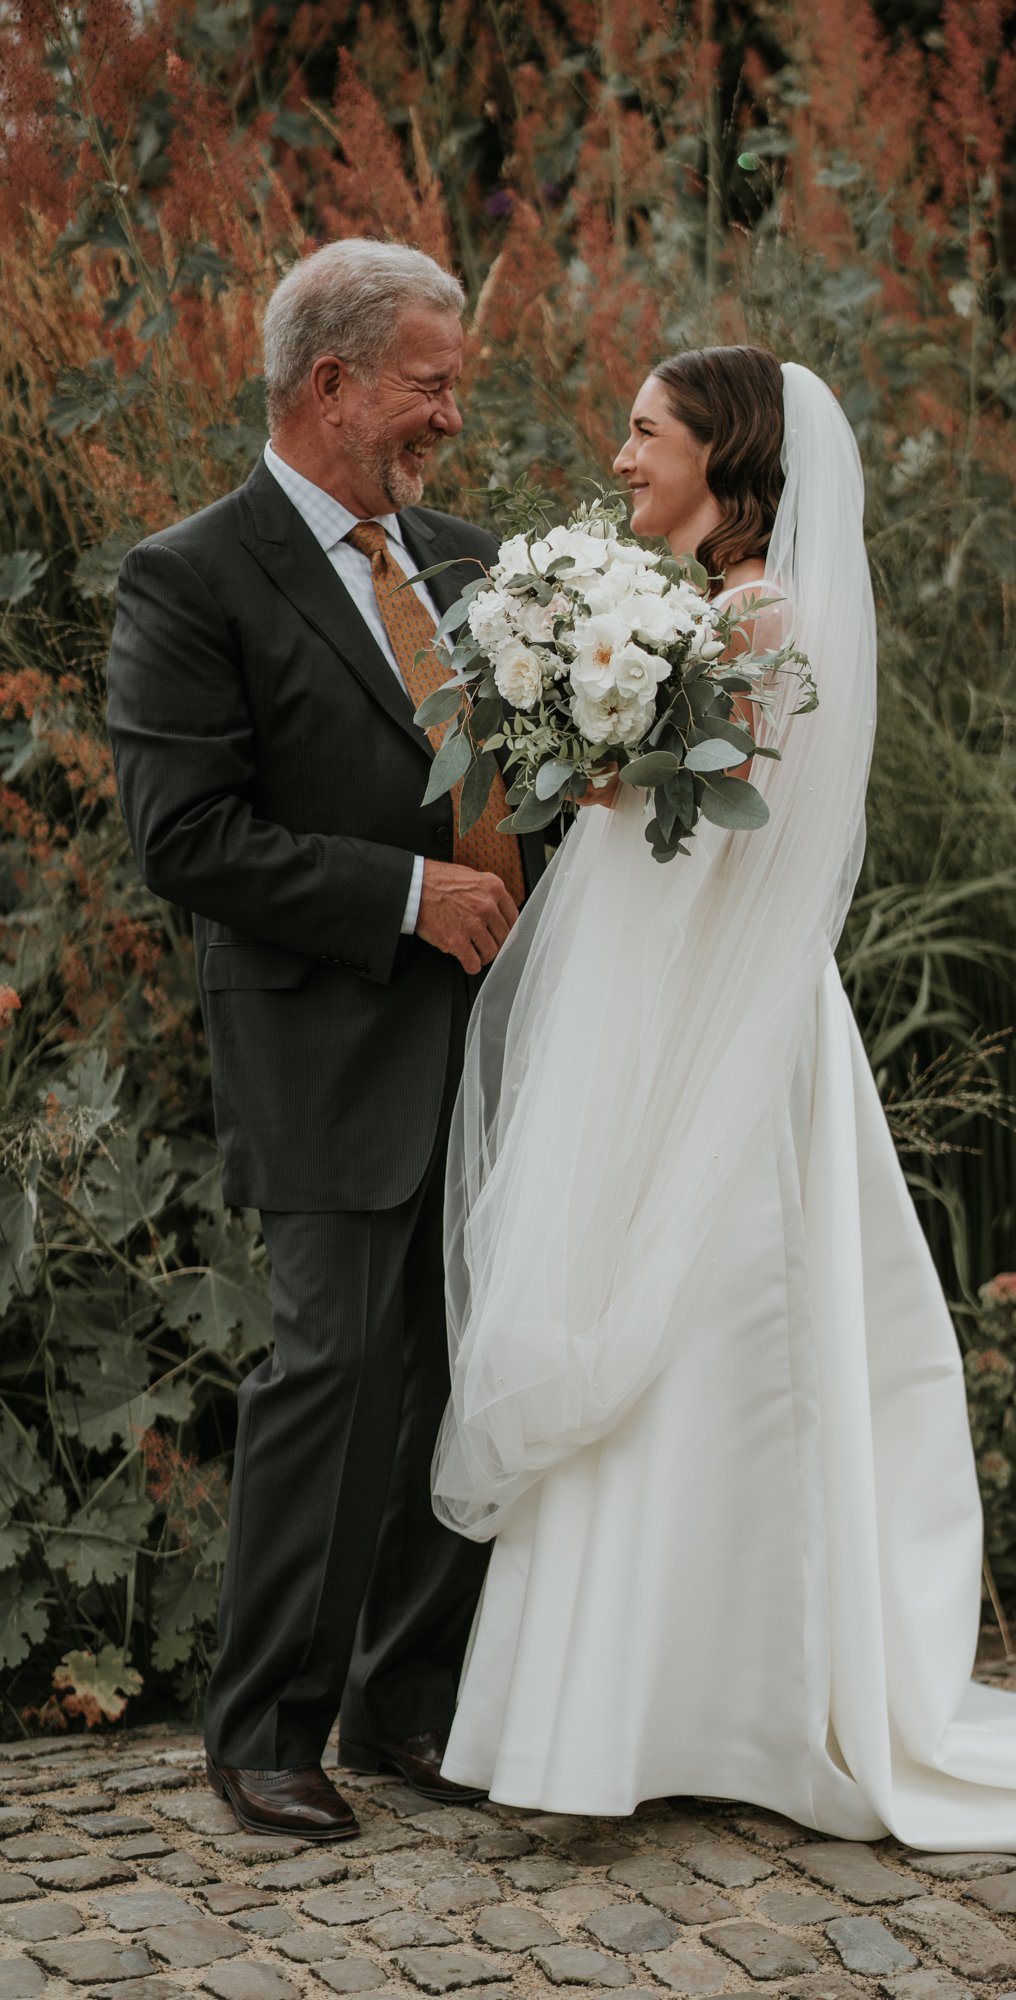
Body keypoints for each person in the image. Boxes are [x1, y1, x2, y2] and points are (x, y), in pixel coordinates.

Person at [428, 346, 1016, 1851]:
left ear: (722, 459)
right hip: (649, 999)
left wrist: (600, 740)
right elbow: (645, 808)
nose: (618, 456)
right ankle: (609, 1700)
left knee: (711, 1317)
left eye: (643, 430)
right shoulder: (686, 613)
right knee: (642, 1305)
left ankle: (712, 1698)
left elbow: (731, 841)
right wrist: (570, 729)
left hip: (715, 1018)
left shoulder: (758, 622)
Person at [106, 240, 550, 1842]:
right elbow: (185, 838)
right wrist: (403, 896)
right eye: (429, 381)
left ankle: (406, 1705)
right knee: (339, 1371)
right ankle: (266, 1730)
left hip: (508, 1034)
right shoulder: (194, 576)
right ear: (330, 383)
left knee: (468, 1369)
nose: (450, 410)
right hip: (328, 1035)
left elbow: (531, 771)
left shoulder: (476, 561)